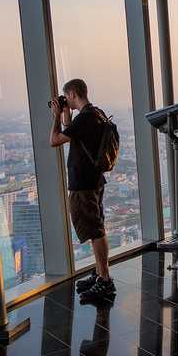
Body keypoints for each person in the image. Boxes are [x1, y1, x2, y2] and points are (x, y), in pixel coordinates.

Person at [50, 79, 116, 303]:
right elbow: (73, 132)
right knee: (97, 228)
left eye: (65, 96)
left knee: (95, 231)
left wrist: (55, 118)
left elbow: (55, 139)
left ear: (72, 93)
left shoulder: (86, 118)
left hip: (84, 185)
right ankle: (100, 274)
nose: (64, 100)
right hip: (95, 181)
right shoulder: (95, 114)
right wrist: (66, 115)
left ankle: (105, 281)